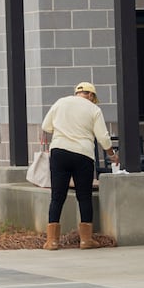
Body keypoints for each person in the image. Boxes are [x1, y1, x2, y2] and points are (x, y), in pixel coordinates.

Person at [39, 81, 118, 251]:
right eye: (93, 97)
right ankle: (86, 240)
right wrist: (112, 155)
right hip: (83, 154)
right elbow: (103, 138)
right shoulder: (94, 110)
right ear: (90, 95)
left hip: (59, 152)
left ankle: (52, 241)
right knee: (84, 196)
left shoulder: (60, 102)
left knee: (57, 196)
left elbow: (46, 126)